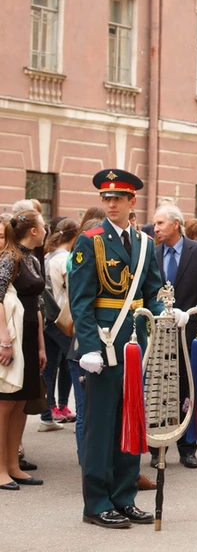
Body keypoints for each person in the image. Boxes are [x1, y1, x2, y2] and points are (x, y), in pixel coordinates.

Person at [70, 170, 169, 527]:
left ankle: (124, 496)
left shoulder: (145, 244)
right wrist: (89, 347)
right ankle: (96, 503)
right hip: (105, 344)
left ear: (132, 202)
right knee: (101, 425)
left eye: (118, 198)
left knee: (131, 419)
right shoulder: (90, 240)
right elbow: (80, 300)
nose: (110, 204)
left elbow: (154, 291)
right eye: (106, 198)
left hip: (135, 344)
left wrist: (168, 315)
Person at [149, 205, 197, 469]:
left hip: (189, 334)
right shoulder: (152, 253)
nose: (155, 228)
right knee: (158, 390)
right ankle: (157, 446)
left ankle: (187, 447)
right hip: (158, 337)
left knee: (186, 389)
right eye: (154, 224)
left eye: (160, 223)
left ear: (176, 224)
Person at [0, 209, 48, 491]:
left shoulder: (31, 258)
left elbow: (38, 304)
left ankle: (13, 466)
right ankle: (1, 469)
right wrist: (3, 340)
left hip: (30, 333)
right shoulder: (9, 258)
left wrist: (41, 345)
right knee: (5, 403)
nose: (46, 231)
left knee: (20, 404)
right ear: (33, 231)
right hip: (13, 336)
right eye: (43, 226)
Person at [39, 218, 80, 432]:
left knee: (50, 366)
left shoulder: (47, 256)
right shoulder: (65, 259)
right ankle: (67, 407)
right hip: (63, 317)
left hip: (48, 315)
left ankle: (47, 413)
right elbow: (73, 289)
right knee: (73, 363)